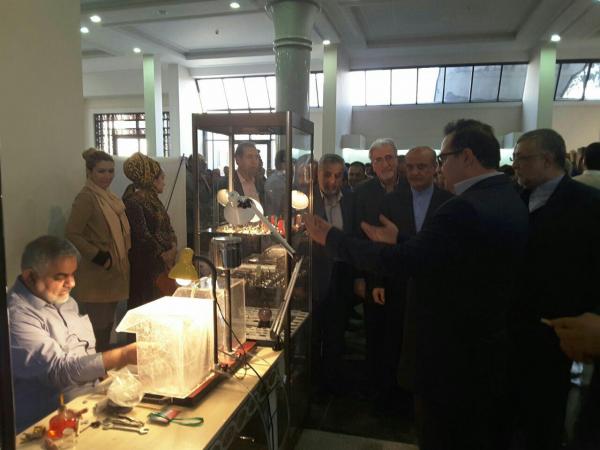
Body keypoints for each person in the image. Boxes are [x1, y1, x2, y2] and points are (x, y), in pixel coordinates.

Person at [304, 119, 529, 450]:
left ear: (467, 157)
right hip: (483, 348)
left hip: (452, 352)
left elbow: (407, 261)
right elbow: (436, 255)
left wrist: (332, 238)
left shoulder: (463, 207)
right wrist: (401, 239)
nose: (440, 167)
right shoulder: (506, 196)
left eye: (443, 158)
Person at [510, 129, 600, 450]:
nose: (515, 165)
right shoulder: (517, 198)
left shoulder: (588, 203)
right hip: (516, 323)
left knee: (547, 410)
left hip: (559, 327)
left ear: (547, 160)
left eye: (521, 158)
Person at [9, 236, 137, 432]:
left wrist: (102, 373)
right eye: (60, 277)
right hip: (48, 424)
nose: (72, 283)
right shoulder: (16, 317)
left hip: (89, 405)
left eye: (73, 274)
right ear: (30, 276)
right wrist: (123, 355)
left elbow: (83, 353)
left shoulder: (64, 300)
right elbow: (58, 370)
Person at [373, 146, 453, 411]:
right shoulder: (391, 201)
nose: (415, 172)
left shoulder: (449, 202)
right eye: (410, 167)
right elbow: (380, 245)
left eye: (422, 167)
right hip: (397, 282)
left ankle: (424, 396)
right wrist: (378, 281)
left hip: (434, 286)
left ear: (435, 168)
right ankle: (394, 397)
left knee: (428, 342)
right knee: (394, 339)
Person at [352, 138, 403, 402]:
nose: (385, 164)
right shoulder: (362, 192)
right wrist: (359, 277)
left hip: (404, 273)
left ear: (397, 158)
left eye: (389, 158)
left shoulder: (411, 187)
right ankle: (376, 390)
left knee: (402, 334)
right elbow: (356, 237)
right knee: (375, 332)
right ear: (372, 165)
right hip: (372, 273)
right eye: (379, 160)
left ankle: (400, 389)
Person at [65, 148, 131, 352]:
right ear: (89, 172)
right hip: (97, 273)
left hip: (113, 271)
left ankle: (103, 363)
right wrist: (98, 256)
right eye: (101, 171)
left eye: (111, 171)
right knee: (98, 329)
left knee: (107, 325)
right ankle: (98, 366)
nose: (107, 176)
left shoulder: (109, 197)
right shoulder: (87, 198)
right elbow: (72, 232)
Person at [312, 153, 354, 395]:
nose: (332, 181)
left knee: (337, 332)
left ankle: (331, 382)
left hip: (342, 274)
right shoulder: (305, 200)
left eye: (338, 176)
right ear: (318, 173)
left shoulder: (350, 199)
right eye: (327, 175)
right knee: (313, 333)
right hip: (315, 276)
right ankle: (313, 384)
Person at [123, 152, 177, 310]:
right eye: (161, 178)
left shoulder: (152, 199)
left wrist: (173, 247)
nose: (164, 183)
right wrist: (164, 255)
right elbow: (142, 235)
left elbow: (167, 226)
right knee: (147, 309)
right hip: (146, 268)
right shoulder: (133, 202)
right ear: (151, 179)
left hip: (161, 264)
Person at [264, 149, 287, 217]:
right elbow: (279, 206)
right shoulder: (276, 181)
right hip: (275, 218)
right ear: (282, 163)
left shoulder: (280, 178)